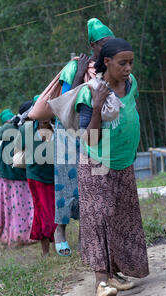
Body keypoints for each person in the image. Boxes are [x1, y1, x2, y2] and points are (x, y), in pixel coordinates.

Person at [75, 38, 149, 296]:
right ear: (106, 62)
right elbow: (90, 138)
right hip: (96, 161)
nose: (128, 68)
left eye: (131, 62)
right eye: (122, 63)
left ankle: (115, 274)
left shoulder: (132, 83)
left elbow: (130, 108)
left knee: (121, 215)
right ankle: (101, 283)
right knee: (100, 217)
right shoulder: (90, 91)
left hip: (123, 160)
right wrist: (97, 106)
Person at [54, 18, 115, 257]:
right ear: (93, 45)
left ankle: (88, 237)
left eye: (110, 42)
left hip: (97, 133)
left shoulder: (109, 68)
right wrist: (80, 73)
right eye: (103, 43)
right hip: (69, 133)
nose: (107, 46)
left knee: (94, 184)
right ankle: (59, 230)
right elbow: (66, 100)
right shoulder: (75, 67)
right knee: (66, 183)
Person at [0, 104, 36, 248]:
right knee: (14, 207)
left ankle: (17, 236)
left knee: (13, 207)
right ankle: (15, 238)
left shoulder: (26, 128)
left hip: (14, 174)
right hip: (11, 175)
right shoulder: (15, 128)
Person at [18, 118, 57, 257]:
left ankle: (55, 247)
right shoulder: (27, 129)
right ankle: (46, 250)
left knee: (54, 211)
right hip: (35, 176)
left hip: (54, 175)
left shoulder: (58, 127)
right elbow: (16, 150)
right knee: (43, 211)